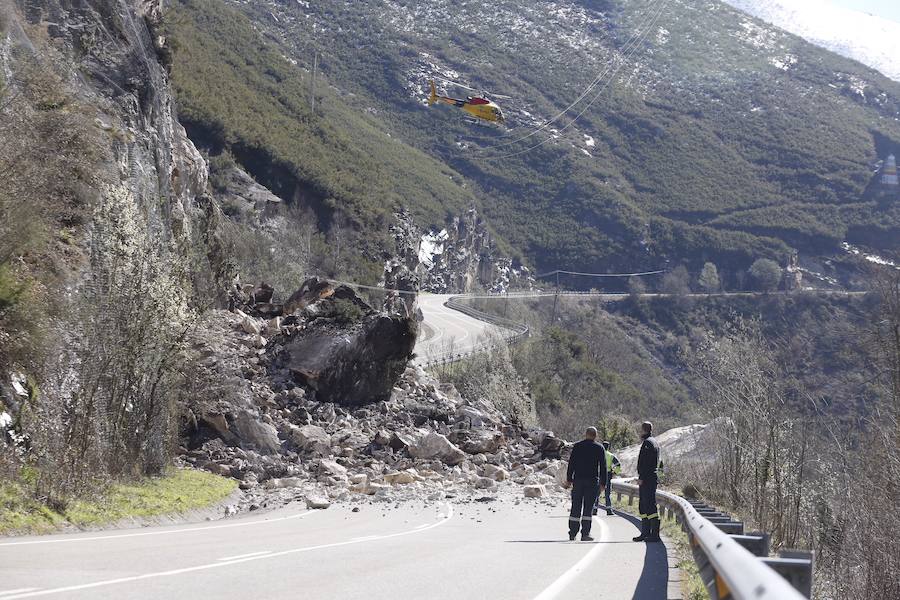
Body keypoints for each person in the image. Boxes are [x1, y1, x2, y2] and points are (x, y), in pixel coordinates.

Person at [565, 427, 607, 541]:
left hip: (578, 480)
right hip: (592, 482)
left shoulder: (578, 446)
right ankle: (585, 534)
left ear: (586, 434)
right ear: (595, 435)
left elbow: (571, 463)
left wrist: (569, 478)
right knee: (588, 508)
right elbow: (603, 467)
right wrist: (604, 483)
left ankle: (572, 533)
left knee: (576, 506)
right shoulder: (599, 448)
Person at [633, 421, 661, 543]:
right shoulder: (652, 442)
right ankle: (645, 533)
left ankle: (654, 534)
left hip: (647, 479)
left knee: (649, 506)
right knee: (644, 506)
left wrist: (642, 478)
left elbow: (646, 463)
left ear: (644, 430)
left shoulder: (648, 443)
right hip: (649, 478)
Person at [593, 441, 621, 516]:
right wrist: (615, 472)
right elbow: (618, 464)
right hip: (608, 474)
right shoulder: (611, 455)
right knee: (607, 493)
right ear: (608, 447)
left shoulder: (597, 454)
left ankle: (594, 509)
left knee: (597, 492)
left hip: (599, 474)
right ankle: (609, 510)